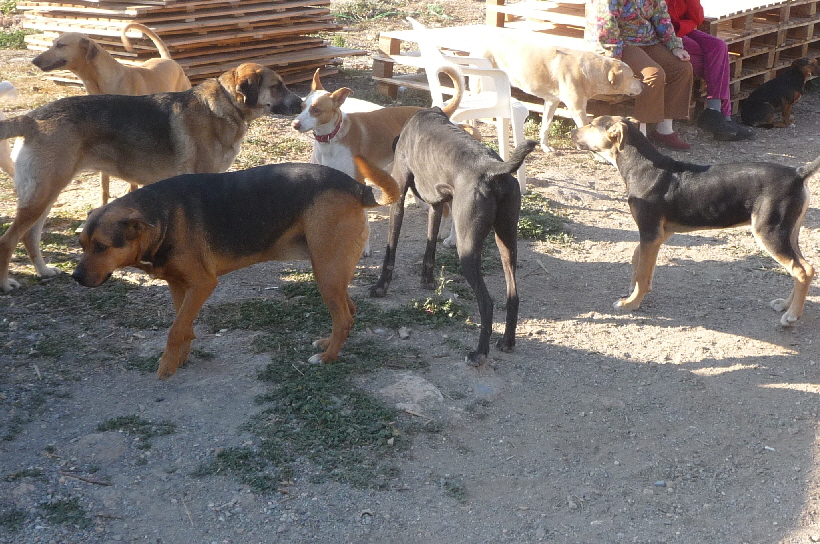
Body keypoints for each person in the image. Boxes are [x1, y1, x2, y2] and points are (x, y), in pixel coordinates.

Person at [586, 0, 694, 150]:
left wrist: (674, 46)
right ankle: (640, 136)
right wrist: (614, 59)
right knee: (653, 74)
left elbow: (661, 17)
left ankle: (664, 130)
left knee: (682, 68)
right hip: (618, 44)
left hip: (647, 41)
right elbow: (606, 25)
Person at [666, 0, 752, 140]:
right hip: (666, 35)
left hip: (684, 30)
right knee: (713, 62)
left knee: (719, 46)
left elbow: (697, 18)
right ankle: (719, 117)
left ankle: (719, 114)